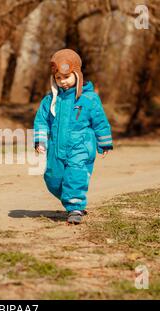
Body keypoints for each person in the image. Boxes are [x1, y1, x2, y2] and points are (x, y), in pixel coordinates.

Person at [34, 49, 113, 225]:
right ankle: (71, 197)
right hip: (56, 147)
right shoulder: (50, 100)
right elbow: (41, 121)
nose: (63, 82)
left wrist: (104, 142)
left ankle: (75, 206)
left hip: (80, 146)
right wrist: (40, 141)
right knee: (52, 178)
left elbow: (99, 121)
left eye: (67, 77)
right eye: (58, 78)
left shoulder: (88, 99)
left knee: (75, 174)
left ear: (77, 75)